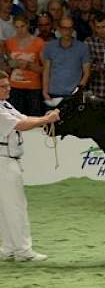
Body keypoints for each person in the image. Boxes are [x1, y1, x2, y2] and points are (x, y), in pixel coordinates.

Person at [0, 70, 60, 262]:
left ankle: (9, 247)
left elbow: (24, 118)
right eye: (3, 86)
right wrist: (46, 120)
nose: (8, 89)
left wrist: (42, 118)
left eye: (8, 85)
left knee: (6, 207)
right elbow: (20, 125)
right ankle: (23, 251)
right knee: (16, 207)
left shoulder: (5, 104)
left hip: (8, 158)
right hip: (4, 159)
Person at [42, 17, 90, 101]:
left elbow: (87, 72)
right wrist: (45, 91)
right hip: (53, 93)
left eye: (70, 28)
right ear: (59, 29)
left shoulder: (82, 48)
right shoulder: (50, 46)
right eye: (64, 28)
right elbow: (46, 70)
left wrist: (79, 90)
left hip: (73, 94)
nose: (67, 31)